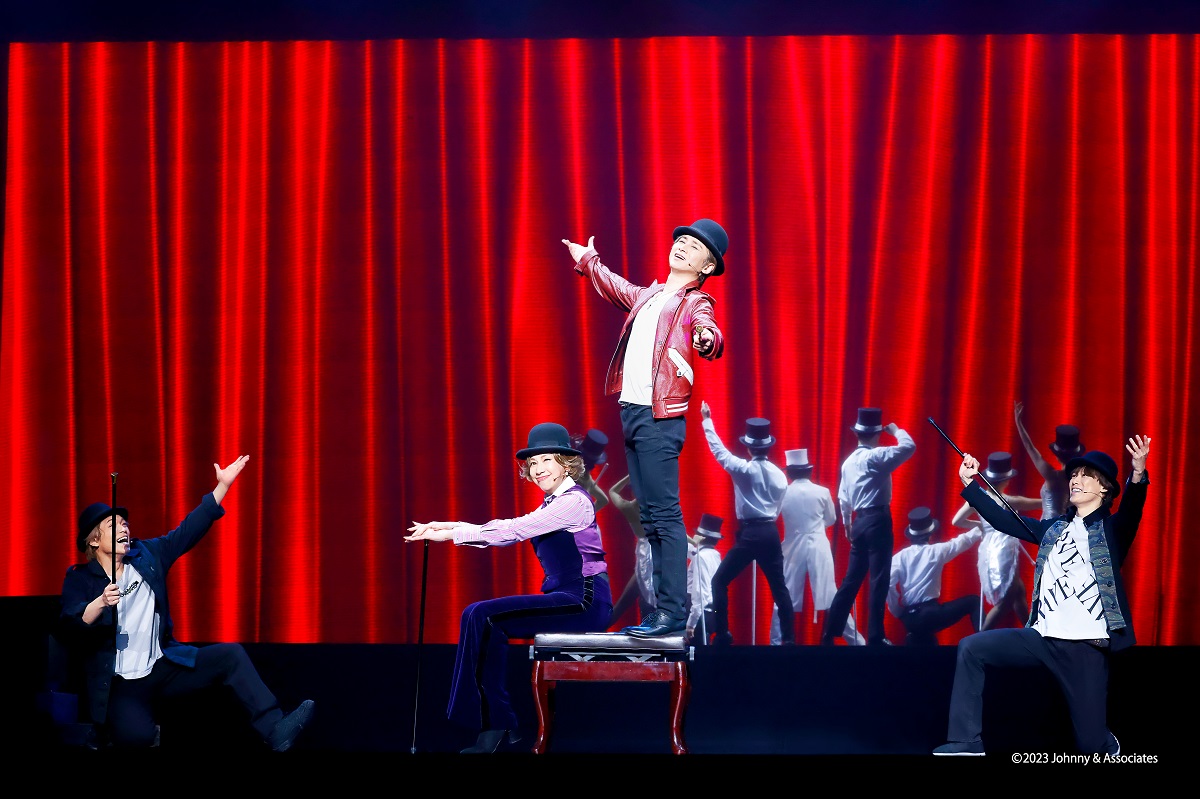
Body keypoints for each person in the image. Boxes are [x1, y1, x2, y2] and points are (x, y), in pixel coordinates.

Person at [58, 455, 316, 751]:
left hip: (162, 666)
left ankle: (274, 728)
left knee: (230, 655)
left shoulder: (148, 555)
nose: (125, 528)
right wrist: (101, 602)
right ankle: (113, 733)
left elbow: (187, 531)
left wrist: (222, 488)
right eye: (114, 525)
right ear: (94, 540)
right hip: (121, 683)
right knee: (137, 738)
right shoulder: (80, 579)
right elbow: (70, 625)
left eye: (125, 523)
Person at [933, 435, 1151, 756]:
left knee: (1091, 745)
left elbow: (1132, 508)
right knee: (971, 648)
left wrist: (1138, 472)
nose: (1075, 480)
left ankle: (1103, 741)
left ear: (1104, 490)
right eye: (1074, 475)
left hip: (1085, 647)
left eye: (1086, 476)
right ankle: (967, 741)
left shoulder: (1112, 531)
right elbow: (1005, 520)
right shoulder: (1053, 529)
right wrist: (970, 484)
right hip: (1040, 639)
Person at [562, 218, 727, 637]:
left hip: (659, 418)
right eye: (680, 240)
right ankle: (661, 612)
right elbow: (616, 287)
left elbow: (708, 327)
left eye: (694, 246)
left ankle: (672, 612)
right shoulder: (649, 296)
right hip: (632, 414)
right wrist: (589, 260)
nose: (682, 246)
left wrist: (707, 339)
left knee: (665, 515)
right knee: (651, 518)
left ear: (707, 267)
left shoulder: (693, 302)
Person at [405, 422, 613, 753]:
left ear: (566, 463)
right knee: (478, 615)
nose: (538, 469)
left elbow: (514, 530)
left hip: (585, 601)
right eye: (533, 463)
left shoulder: (573, 502)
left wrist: (451, 534)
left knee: (483, 615)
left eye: (547, 460)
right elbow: (506, 529)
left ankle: (495, 723)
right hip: (569, 598)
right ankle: (494, 721)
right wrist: (449, 526)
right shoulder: (552, 504)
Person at [700, 403, 794, 645]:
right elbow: (778, 507)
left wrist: (707, 421)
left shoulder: (743, 469)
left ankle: (722, 633)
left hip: (751, 533)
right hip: (770, 531)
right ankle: (789, 639)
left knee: (719, 581)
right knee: (779, 588)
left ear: (749, 447)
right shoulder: (780, 476)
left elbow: (719, 451)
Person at [820, 408, 916, 646]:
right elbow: (909, 447)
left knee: (851, 580)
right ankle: (876, 636)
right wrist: (896, 431)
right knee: (879, 579)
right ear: (877, 434)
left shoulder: (848, 463)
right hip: (878, 520)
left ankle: (830, 631)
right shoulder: (876, 457)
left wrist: (847, 524)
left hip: (859, 522)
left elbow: (843, 498)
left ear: (857, 433)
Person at [772, 448, 864, 646]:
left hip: (793, 547)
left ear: (789, 472)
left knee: (784, 595)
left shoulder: (783, 494)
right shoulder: (823, 492)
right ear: (808, 470)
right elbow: (831, 519)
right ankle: (856, 641)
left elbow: (773, 516)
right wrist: (815, 527)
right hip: (818, 545)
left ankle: (776, 642)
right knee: (831, 594)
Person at [951, 452, 1042, 631]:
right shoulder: (1008, 501)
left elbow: (956, 521)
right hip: (1003, 549)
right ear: (1005, 480)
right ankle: (980, 639)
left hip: (989, 549)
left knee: (1018, 592)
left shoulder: (977, 498)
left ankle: (1030, 631)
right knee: (1005, 602)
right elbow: (1036, 503)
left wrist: (981, 526)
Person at [887, 506, 982, 646]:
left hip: (910, 619)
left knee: (924, 640)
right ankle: (985, 644)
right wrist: (984, 526)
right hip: (930, 614)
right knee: (974, 602)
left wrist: (898, 612)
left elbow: (887, 584)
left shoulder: (898, 558)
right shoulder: (936, 551)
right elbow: (963, 541)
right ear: (930, 534)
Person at [1014, 401, 1086, 519]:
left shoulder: (1053, 476)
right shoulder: (1078, 480)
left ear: (1057, 455)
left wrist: (1018, 423)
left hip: (1048, 526)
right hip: (1065, 526)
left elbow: (1030, 448)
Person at [605, 473, 656, 629]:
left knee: (641, 593)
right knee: (647, 594)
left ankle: (601, 625)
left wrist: (629, 476)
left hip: (645, 551)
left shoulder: (628, 507)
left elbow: (613, 491)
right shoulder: (656, 507)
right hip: (652, 551)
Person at [685, 513, 724, 646]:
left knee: (696, 652)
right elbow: (690, 550)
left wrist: (691, 623)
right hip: (710, 612)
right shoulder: (714, 555)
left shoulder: (700, 557)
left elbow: (700, 593)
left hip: (699, 614)